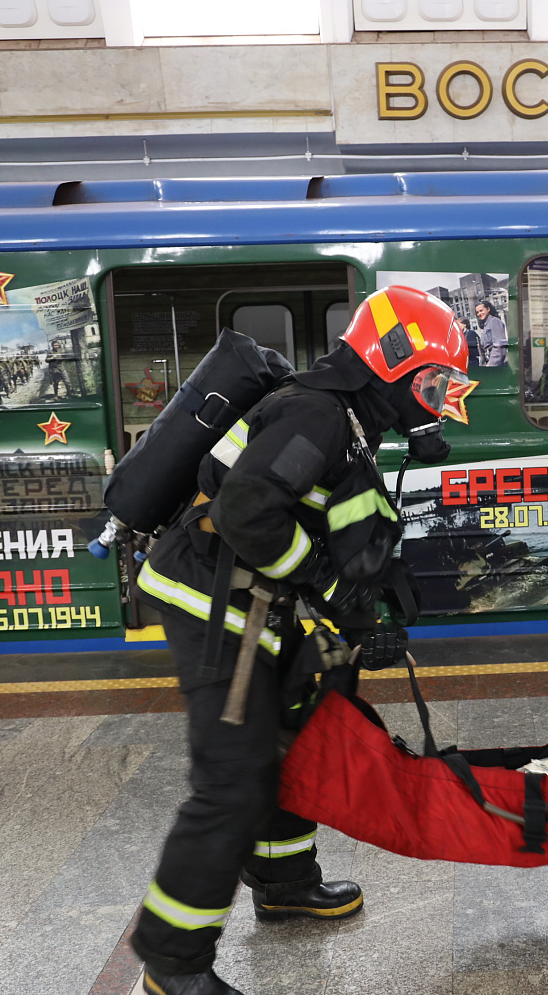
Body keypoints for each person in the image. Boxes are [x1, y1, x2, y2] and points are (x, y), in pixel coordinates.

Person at [129, 285, 475, 995]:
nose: (439, 398)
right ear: (395, 362)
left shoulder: (347, 416)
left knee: (292, 737)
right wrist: (322, 581)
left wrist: (363, 601)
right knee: (234, 775)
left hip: (259, 601)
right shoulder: (317, 414)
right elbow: (248, 512)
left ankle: (285, 882)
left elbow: (322, 512)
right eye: (435, 381)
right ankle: (173, 961)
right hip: (213, 601)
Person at [475, 300, 508, 367]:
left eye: (481, 310)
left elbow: (499, 346)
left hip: (497, 364)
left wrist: (490, 366)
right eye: (477, 312)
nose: (479, 314)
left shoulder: (494, 321)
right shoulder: (486, 325)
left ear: (488, 309)